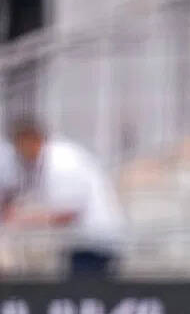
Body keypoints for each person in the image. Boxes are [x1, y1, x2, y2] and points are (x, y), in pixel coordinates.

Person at [0, 118, 126, 277]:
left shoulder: (62, 162)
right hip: (78, 242)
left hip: (95, 241)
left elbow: (67, 214)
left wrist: (19, 219)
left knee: (83, 287)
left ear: (32, 139)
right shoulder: (41, 161)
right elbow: (17, 188)